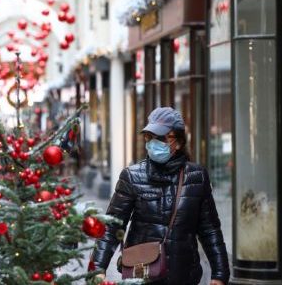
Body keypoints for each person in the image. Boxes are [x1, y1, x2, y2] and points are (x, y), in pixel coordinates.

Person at [91, 107, 229, 285]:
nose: (153, 143)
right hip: (142, 275)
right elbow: (111, 226)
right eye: (149, 137)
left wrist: (219, 273)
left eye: (161, 138)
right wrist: (97, 269)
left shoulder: (197, 177)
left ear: (178, 142)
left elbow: (210, 230)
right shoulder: (132, 176)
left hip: (185, 276)